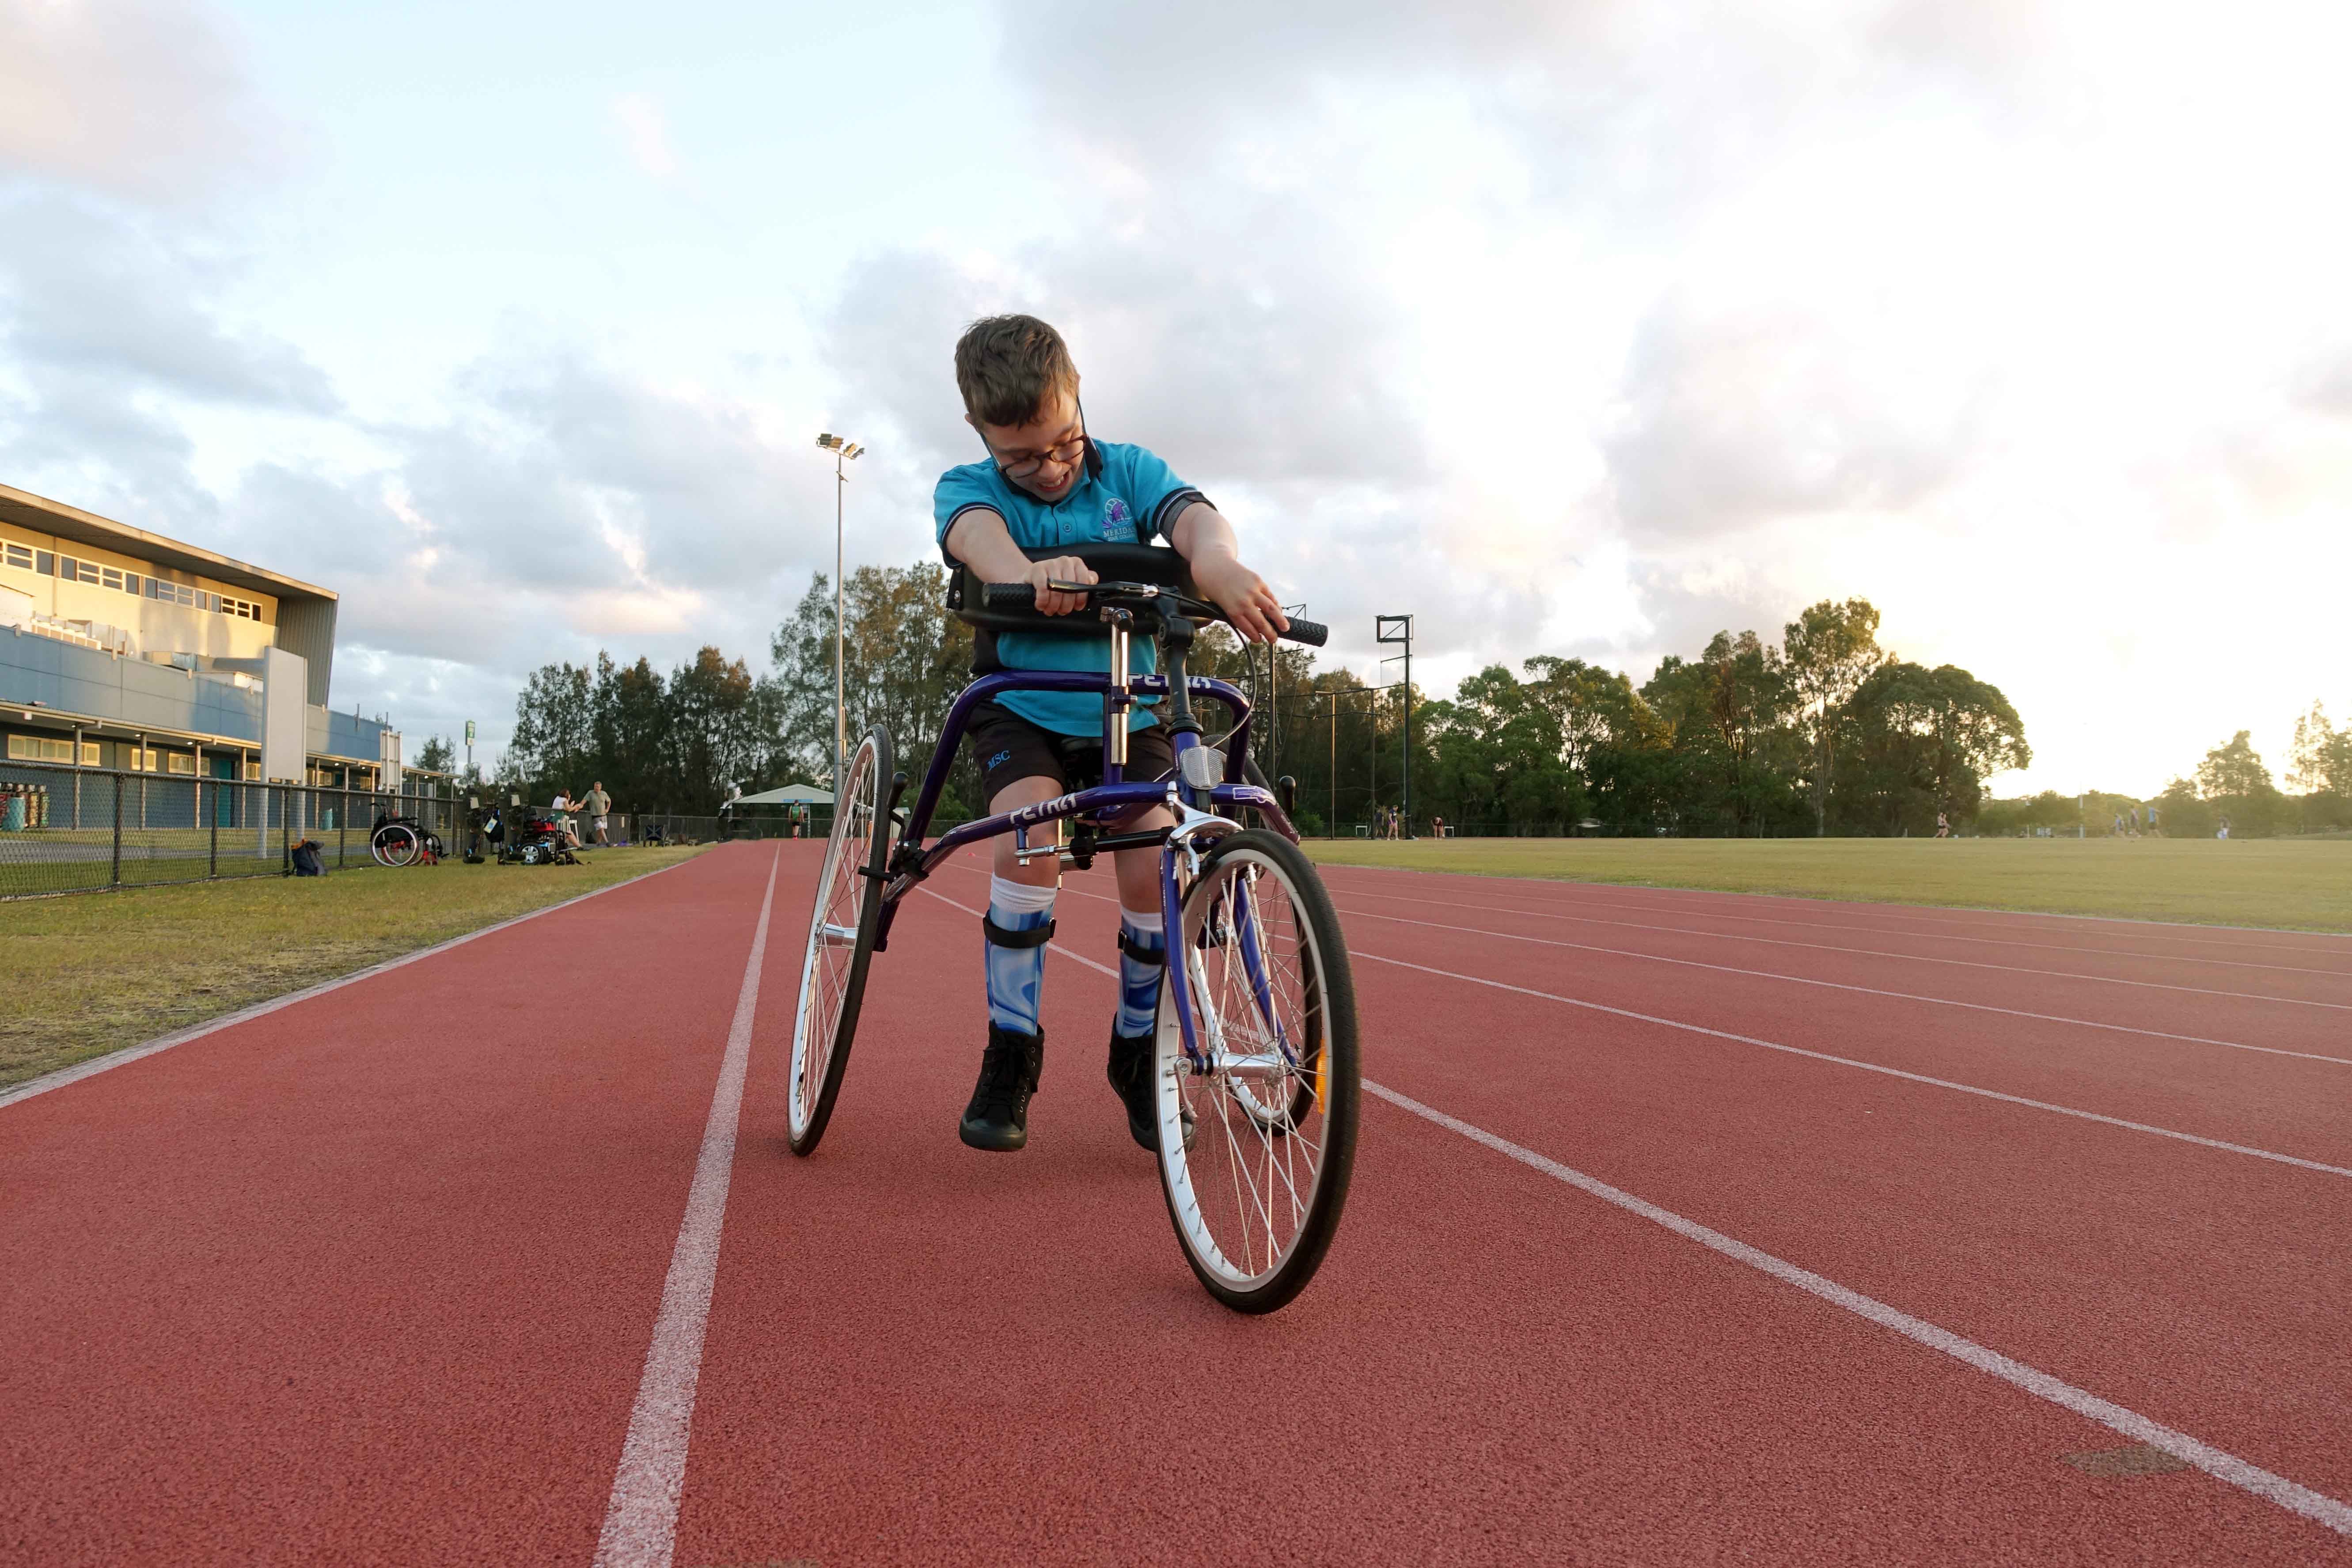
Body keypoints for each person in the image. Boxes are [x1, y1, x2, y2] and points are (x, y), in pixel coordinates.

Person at [937, 314, 1286, 1154]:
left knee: (1152, 856)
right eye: (1023, 456)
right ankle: (1011, 1051)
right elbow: (976, 539)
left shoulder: (1129, 472)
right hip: (1021, 700)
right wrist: (1028, 573)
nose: (1051, 468)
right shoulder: (966, 485)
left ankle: (1138, 1052)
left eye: (1063, 441)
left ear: (1079, 396)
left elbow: (1194, 520)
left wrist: (1219, 563)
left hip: (1127, 708)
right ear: (981, 433)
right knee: (1028, 836)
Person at [584, 780, 612, 846]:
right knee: (601, 829)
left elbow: (609, 801)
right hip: (595, 816)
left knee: (601, 830)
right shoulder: (590, 793)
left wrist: (607, 809)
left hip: (603, 815)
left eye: (598, 787)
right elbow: (585, 800)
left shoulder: (604, 794)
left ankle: (598, 842)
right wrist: (581, 805)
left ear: (600, 788)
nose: (596, 788)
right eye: (595, 787)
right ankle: (607, 842)